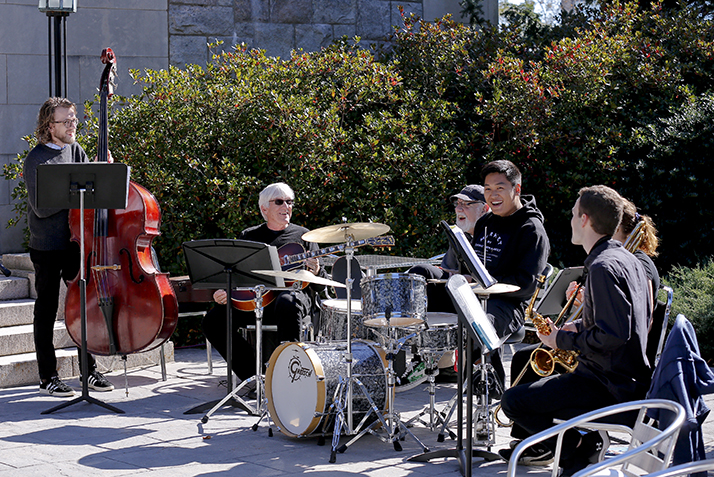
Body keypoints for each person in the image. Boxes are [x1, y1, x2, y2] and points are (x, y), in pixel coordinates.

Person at [499, 185, 653, 474]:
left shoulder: (603, 267)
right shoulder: (626, 259)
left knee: (513, 402)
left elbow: (613, 335)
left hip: (607, 386)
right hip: (620, 378)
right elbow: (624, 322)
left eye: (573, 214)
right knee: (531, 391)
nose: (570, 220)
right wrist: (579, 325)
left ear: (584, 220)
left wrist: (562, 338)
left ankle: (577, 450)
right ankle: (576, 453)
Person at [509, 195, 661, 387]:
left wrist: (568, 338)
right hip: (605, 354)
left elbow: (643, 316)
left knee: (519, 388)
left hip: (613, 365)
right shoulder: (614, 259)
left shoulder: (632, 262)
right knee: (524, 359)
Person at [24, 97, 114, 397]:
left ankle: (88, 371)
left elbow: (95, 189)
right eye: (66, 121)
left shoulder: (76, 151)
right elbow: (41, 207)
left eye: (74, 119)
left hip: (78, 242)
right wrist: (74, 191)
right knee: (46, 310)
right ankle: (47, 376)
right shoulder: (36, 159)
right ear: (50, 126)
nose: (73, 125)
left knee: (83, 308)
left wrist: (105, 174)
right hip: (48, 245)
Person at [201, 182, 326, 382]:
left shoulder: (305, 235)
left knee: (287, 301)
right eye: (279, 202)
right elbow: (236, 273)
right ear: (264, 209)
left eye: (290, 202)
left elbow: (322, 286)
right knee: (213, 321)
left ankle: (291, 376)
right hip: (256, 301)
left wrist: (317, 271)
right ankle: (255, 376)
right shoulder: (249, 236)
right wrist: (225, 290)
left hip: (291, 300)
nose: (287, 207)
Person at [469, 160, 550, 392]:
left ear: (517, 189)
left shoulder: (531, 229)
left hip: (509, 304)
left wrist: (488, 285)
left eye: (500, 188)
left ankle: (489, 390)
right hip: (478, 296)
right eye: (487, 189)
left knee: (480, 325)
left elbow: (526, 286)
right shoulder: (484, 222)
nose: (492, 195)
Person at [409, 184, 490, 313]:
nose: (458, 209)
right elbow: (447, 270)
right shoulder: (460, 235)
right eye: (458, 203)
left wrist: (467, 278)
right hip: (456, 288)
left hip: (481, 298)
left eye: (466, 204)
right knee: (420, 272)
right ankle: (407, 324)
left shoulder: (494, 236)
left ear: (484, 209)